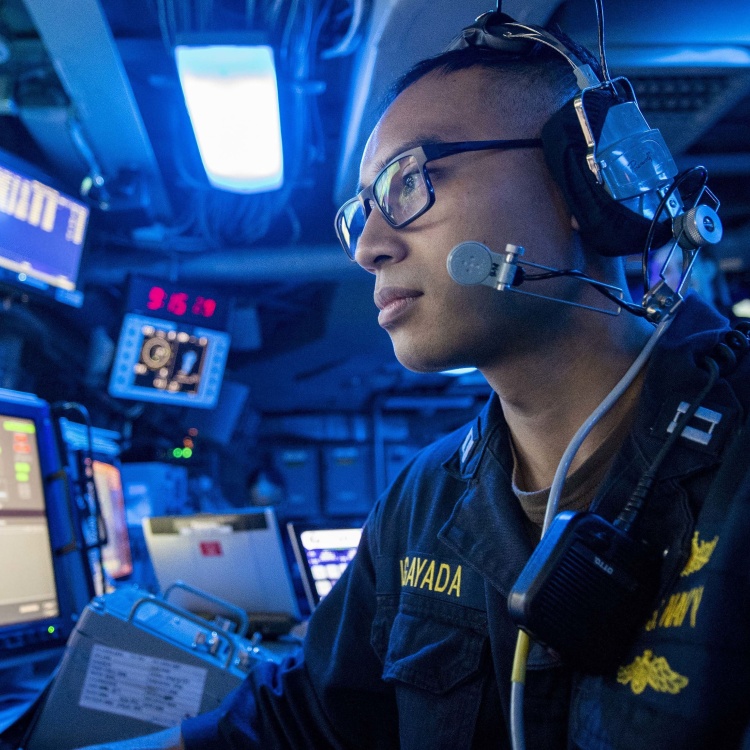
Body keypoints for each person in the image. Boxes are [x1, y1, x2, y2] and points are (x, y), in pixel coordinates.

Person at [74, 11, 750, 750]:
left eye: (405, 183)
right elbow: (306, 720)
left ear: (585, 182)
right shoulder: (425, 497)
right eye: (358, 213)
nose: (366, 247)